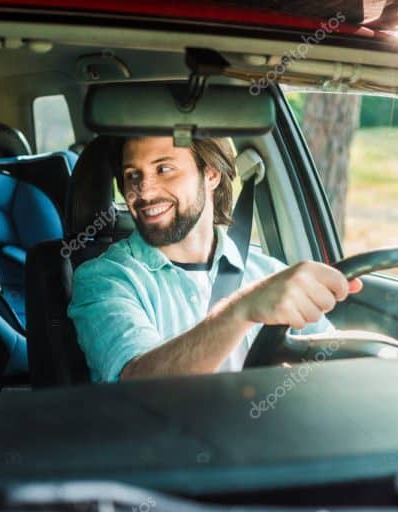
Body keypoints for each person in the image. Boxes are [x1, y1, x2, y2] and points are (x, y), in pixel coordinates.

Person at [68, 136, 363, 383]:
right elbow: (137, 383)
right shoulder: (104, 279)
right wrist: (240, 311)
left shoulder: (268, 273)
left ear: (211, 174)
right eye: (133, 175)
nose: (143, 190)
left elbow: (331, 359)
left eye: (164, 169)